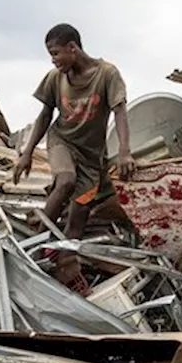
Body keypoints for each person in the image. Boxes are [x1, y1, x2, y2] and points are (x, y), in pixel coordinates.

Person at [13, 24, 134, 288]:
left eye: (56, 53)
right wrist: (27, 153)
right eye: (50, 55)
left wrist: (124, 151)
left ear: (73, 48)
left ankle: (64, 268)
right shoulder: (55, 78)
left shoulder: (107, 75)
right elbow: (45, 115)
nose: (53, 60)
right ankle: (35, 240)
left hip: (91, 157)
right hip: (62, 141)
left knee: (79, 214)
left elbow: (120, 111)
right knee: (65, 180)